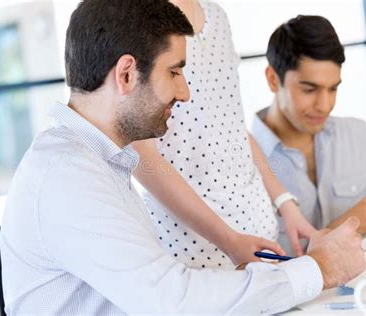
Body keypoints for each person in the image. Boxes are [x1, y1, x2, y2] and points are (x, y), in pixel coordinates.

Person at [0, 1, 365, 314]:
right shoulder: (68, 178)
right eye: (174, 72)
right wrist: (319, 269)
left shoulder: (99, 163)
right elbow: (172, 301)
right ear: (126, 74)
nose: (185, 92)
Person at [133, 0, 314, 269]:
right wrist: (228, 240)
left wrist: (285, 203)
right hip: (193, 249)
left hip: (260, 235)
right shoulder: (137, 18)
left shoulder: (217, 16)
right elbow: (140, 154)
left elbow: (231, 125)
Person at [251, 15, 366, 255]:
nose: (325, 105)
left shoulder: (359, 137)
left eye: (333, 88)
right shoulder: (243, 163)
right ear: (273, 80)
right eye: (309, 89)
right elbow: (256, 275)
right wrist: (343, 228)